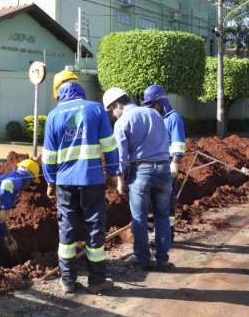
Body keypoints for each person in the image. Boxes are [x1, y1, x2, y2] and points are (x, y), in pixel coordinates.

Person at [43, 80, 120, 295]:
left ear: (61, 97)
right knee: (94, 228)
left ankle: (67, 281)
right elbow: (110, 146)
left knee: (66, 229)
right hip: (92, 180)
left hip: (64, 183)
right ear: (82, 94)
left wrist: (50, 181)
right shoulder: (95, 109)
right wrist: (114, 173)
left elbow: (48, 156)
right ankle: (96, 281)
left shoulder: (53, 115)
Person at [103, 87, 173, 271]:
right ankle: (162, 259)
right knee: (162, 216)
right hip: (164, 168)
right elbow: (166, 139)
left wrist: (121, 180)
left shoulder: (122, 122)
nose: (113, 114)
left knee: (139, 217)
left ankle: (142, 259)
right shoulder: (154, 113)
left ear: (117, 104)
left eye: (111, 110)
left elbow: (122, 157)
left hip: (142, 171)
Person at [143, 85, 186, 242]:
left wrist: (175, 162)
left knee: (167, 202)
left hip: (168, 165)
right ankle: (153, 234)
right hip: (153, 165)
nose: (151, 108)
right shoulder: (153, 118)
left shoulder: (173, 118)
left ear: (160, 102)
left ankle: (168, 234)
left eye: (152, 105)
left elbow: (178, 143)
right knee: (151, 202)